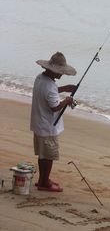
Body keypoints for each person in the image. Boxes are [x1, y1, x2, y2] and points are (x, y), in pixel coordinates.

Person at [30, 52, 77, 192]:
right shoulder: (50, 86)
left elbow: (49, 91)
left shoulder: (40, 78)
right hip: (48, 127)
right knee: (49, 156)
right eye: (60, 72)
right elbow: (54, 107)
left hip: (38, 124)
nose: (61, 75)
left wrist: (64, 88)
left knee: (42, 155)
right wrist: (66, 100)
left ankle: (42, 180)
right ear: (53, 70)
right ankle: (45, 184)